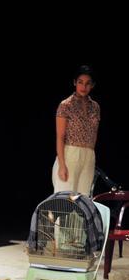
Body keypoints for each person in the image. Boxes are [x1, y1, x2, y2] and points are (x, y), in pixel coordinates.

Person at [52, 65, 100, 195]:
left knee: (82, 200)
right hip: (70, 154)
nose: (84, 86)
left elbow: (94, 134)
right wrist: (62, 165)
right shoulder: (66, 105)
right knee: (65, 199)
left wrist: (90, 156)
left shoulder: (95, 107)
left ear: (92, 85)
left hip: (89, 156)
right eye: (80, 82)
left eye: (88, 83)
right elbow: (60, 137)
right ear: (75, 82)